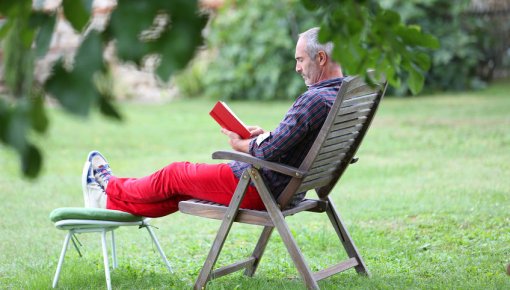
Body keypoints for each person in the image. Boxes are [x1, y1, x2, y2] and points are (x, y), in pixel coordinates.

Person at [82, 27, 344, 217]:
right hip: (289, 186)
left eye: (300, 60)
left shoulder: (315, 100)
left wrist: (242, 143)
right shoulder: (340, 95)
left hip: (261, 186)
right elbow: (293, 142)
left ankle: (110, 186)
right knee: (181, 190)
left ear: (320, 58)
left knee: (175, 174)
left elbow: (265, 152)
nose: (297, 68)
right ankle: (108, 203)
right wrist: (265, 135)